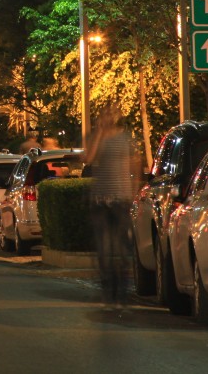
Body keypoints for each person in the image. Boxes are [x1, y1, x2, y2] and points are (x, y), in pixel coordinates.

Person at [87, 104, 138, 304]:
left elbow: (135, 163)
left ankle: (122, 291)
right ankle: (108, 289)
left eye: (113, 114)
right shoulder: (97, 137)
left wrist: (133, 193)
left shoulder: (126, 138)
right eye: (105, 115)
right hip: (100, 201)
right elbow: (89, 158)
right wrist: (99, 132)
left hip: (121, 200)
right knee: (103, 249)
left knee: (121, 248)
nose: (109, 118)